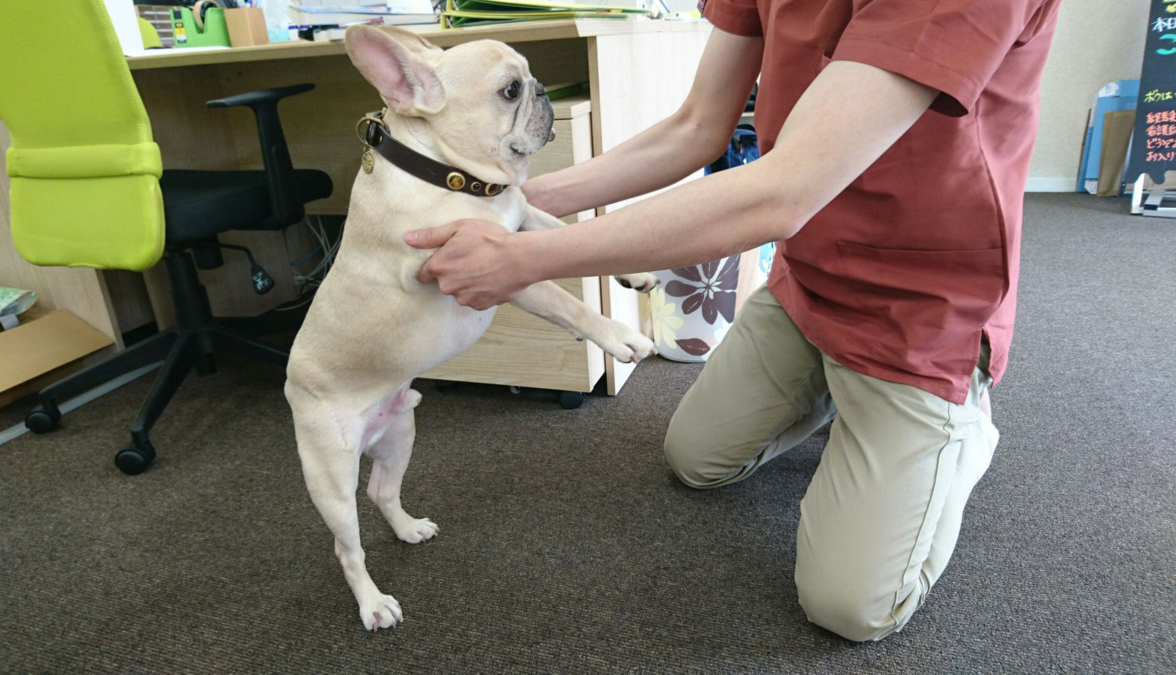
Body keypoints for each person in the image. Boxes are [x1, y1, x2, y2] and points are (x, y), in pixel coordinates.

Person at [405, 0, 1062, 641]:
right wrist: (510, 204)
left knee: (851, 605)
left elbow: (783, 190)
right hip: (808, 279)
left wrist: (524, 256)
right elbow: (694, 126)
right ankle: (840, 396)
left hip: (923, 311)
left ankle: (962, 420)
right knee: (694, 460)